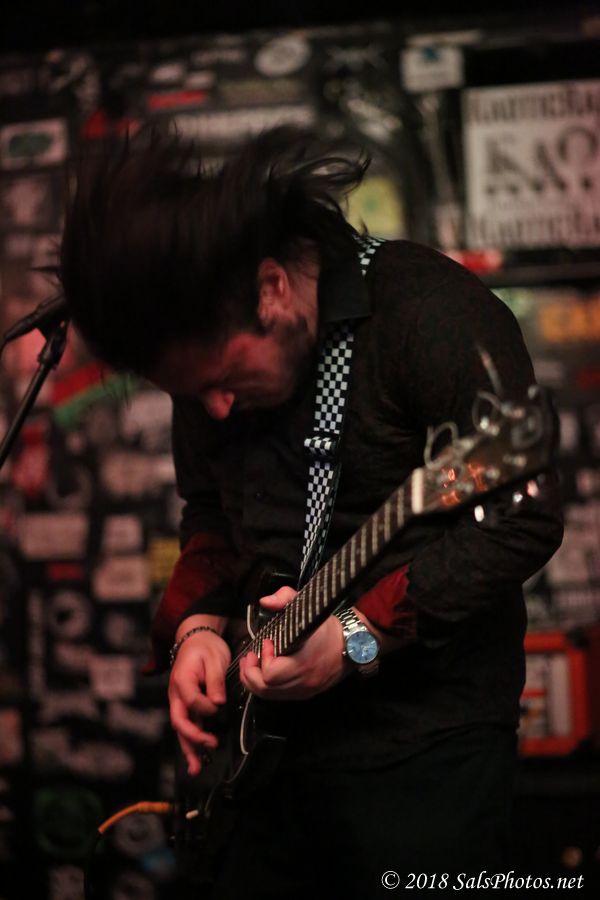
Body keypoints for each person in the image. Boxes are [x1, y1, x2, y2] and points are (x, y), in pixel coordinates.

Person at [59, 126, 563, 898]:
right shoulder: (202, 350)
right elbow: (210, 510)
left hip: (424, 757)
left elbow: (524, 517)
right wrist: (198, 630)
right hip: (264, 762)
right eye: (191, 394)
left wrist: (356, 637)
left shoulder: (427, 312)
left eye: (223, 378)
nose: (214, 409)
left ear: (272, 289)